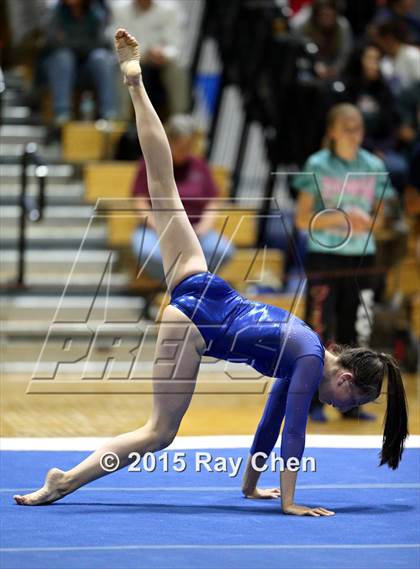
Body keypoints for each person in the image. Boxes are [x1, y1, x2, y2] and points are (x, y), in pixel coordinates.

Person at [13, 30, 409, 517]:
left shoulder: (308, 348)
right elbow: (293, 434)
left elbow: (269, 423)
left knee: (163, 185)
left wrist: (250, 487)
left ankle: (135, 81)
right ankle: (65, 480)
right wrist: (289, 503)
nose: (334, 405)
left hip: (202, 284)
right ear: (346, 378)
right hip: (195, 323)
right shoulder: (308, 361)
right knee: (159, 433)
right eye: (343, 402)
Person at [294, 103, 396, 422]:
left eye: (359, 127)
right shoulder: (318, 164)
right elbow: (301, 219)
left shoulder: (374, 166)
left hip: (361, 258)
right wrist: (340, 218)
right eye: (348, 127)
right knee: (320, 329)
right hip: (325, 257)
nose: (355, 133)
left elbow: (385, 218)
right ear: (333, 131)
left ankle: (352, 403)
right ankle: (312, 400)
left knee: (356, 332)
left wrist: (372, 222)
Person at [132, 114, 235, 280]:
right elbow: (140, 203)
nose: (184, 151)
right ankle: (178, 286)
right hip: (159, 232)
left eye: (188, 146)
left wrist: (204, 226)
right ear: (169, 141)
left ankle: (194, 283)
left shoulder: (200, 165)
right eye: (180, 146)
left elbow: (212, 202)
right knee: (146, 251)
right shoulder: (150, 164)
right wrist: (160, 229)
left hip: (196, 232)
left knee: (224, 251)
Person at [342, 43, 408, 195]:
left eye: (378, 59)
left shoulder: (384, 91)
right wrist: (370, 148)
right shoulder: (345, 89)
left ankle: (388, 212)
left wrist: (382, 148)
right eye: (370, 59)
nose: (375, 64)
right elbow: (343, 127)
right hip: (350, 147)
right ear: (358, 60)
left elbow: (391, 127)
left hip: (380, 149)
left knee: (399, 168)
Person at [42, 0, 117, 127]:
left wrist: (69, 40)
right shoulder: (54, 11)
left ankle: (109, 115)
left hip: (88, 68)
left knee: (101, 58)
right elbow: (52, 42)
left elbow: (103, 43)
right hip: (62, 69)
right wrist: (83, 42)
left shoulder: (97, 12)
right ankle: (62, 115)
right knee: (63, 57)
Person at [111, 0, 188, 118]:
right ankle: (122, 121)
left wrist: (164, 54)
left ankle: (180, 120)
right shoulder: (119, 9)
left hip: (162, 61)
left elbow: (176, 45)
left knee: (177, 70)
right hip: (132, 59)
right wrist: (144, 53)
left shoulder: (169, 9)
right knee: (124, 69)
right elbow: (118, 44)